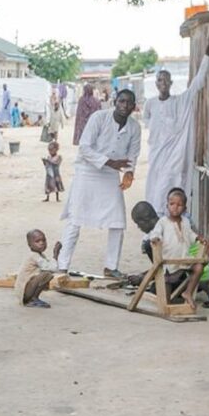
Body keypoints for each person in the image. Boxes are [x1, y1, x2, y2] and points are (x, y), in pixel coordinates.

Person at [56, 89, 140, 278]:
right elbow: (84, 147)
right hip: (87, 172)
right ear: (114, 102)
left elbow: (133, 154)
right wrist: (110, 162)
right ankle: (62, 266)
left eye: (129, 103)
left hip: (111, 175)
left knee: (118, 220)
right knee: (75, 218)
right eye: (121, 101)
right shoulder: (99, 118)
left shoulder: (135, 127)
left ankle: (111, 267)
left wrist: (129, 173)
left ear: (134, 107)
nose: (125, 106)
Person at [142, 33, 209, 214]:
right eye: (160, 80)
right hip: (157, 157)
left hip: (175, 158)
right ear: (156, 83)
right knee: (155, 188)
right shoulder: (150, 104)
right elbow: (148, 124)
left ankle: (172, 221)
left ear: (171, 83)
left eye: (166, 79)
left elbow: (198, 82)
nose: (163, 83)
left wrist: (207, 54)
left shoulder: (181, 101)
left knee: (172, 188)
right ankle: (156, 225)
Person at [148, 189, 209, 308]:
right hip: (169, 261)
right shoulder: (163, 222)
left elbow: (189, 234)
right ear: (167, 206)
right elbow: (156, 233)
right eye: (172, 204)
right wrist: (156, 239)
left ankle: (188, 293)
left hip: (185, 259)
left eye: (179, 205)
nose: (175, 207)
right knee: (167, 298)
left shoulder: (185, 221)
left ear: (185, 208)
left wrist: (198, 238)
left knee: (199, 267)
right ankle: (168, 301)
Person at [15, 229, 59, 308]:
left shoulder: (40, 255)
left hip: (26, 289)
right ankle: (32, 299)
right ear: (30, 245)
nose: (41, 243)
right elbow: (52, 268)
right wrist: (56, 254)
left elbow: (49, 265)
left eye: (43, 240)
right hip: (24, 292)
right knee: (47, 274)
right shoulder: (34, 256)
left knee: (47, 274)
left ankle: (33, 298)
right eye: (37, 241)